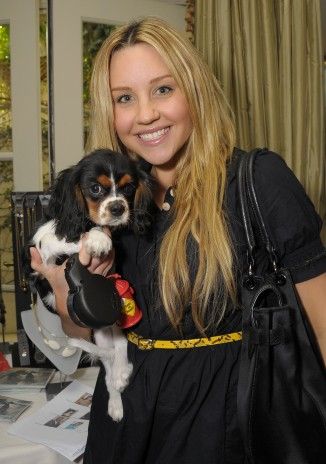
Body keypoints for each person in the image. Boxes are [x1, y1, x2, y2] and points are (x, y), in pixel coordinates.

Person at [30, 16, 326, 464]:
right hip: (129, 415)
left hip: (226, 420)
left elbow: (322, 324)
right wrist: (60, 284)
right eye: (124, 98)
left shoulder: (257, 180)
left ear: (194, 91)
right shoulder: (115, 200)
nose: (146, 114)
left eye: (163, 89)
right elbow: (83, 329)